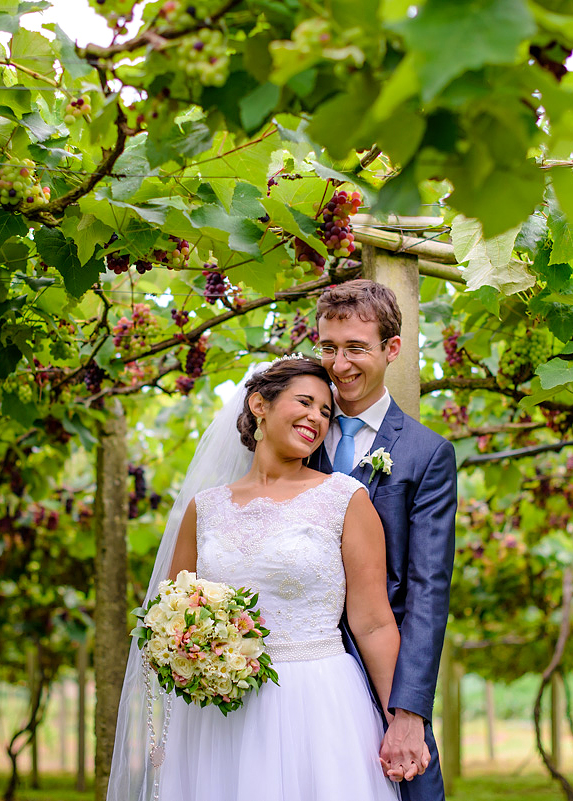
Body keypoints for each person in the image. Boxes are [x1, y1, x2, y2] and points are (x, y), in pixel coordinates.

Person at [107, 356, 404, 801]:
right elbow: (172, 612)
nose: (316, 418)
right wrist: (192, 651)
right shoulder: (203, 508)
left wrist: (400, 719)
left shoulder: (345, 498)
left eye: (326, 412)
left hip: (316, 700)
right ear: (259, 404)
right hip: (219, 712)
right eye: (305, 402)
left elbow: (374, 622)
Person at [311, 278, 458, 801]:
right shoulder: (294, 438)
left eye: (356, 348)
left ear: (391, 349)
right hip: (297, 671)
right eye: (328, 348)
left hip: (386, 675)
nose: (340, 364)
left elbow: (427, 589)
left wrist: (409, 710)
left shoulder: (426, 455)